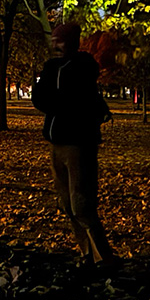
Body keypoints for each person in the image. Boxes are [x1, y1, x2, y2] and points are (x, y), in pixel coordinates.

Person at [31, 21, 116, 266]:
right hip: (56, 142)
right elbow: (41, 98)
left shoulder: (82, 66)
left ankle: (104, 257)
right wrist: (54, 98)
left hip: (79, 144)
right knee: (66, 204)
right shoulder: (52, 67)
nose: (55, 44)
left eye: (61, 40)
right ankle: (86, 253)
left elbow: (70, 98)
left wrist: (56, 99)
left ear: (72, 42)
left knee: (81, 204)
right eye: (53, 40)